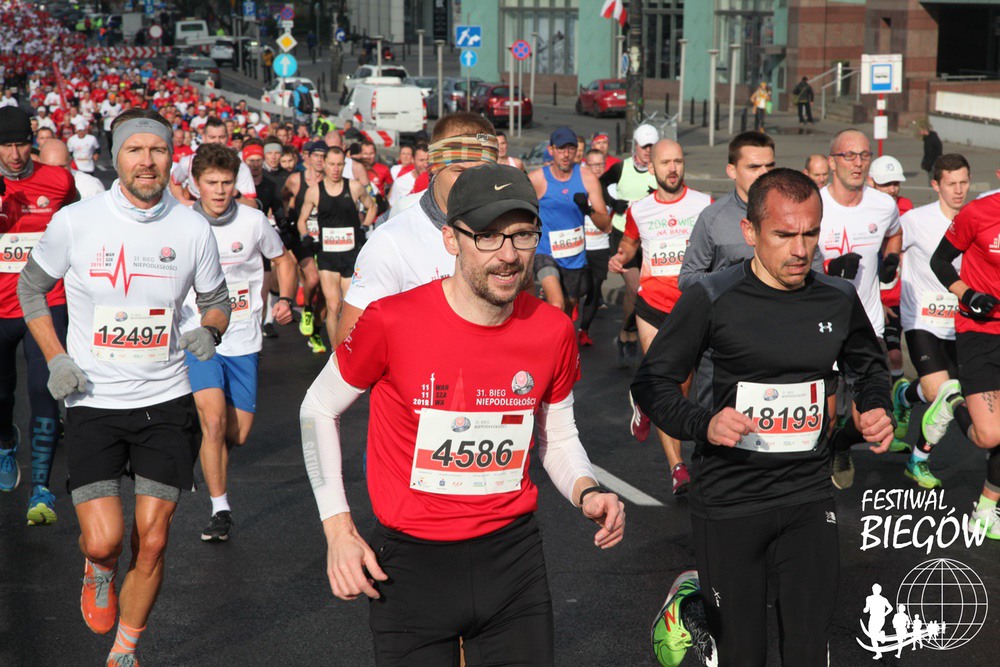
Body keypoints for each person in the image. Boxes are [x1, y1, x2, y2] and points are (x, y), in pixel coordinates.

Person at [300, 162, 624, 664]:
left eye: (522, 235)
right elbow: (318, 407)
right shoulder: (391, 320)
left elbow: (558, 438)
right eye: (488, 236)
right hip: (410, 571)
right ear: (451, 239)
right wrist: (338, 530)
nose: (508, 255)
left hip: (513, 564)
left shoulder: (552, 330)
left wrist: (587, 491)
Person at [633, 168, 894, 667]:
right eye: (784, 234)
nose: (800, 250)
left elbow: (869, 366)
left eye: (810, 234)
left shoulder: (837, 298)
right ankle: (693, 602)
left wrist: (876, 405)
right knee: (743, 655)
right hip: (731, 498)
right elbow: (651, 382)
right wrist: (703, 423)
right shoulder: (712, 297)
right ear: (750, 232)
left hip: (807, 493)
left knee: (807, 650)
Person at [17, 109, 231, 667]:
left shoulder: (191, 227)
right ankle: (98, 568)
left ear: (171, 158)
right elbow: (31, 289)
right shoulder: (76, 222)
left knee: (153, 542)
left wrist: (210, 330)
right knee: (104, 540)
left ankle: (125, 651)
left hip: (166, 400)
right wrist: (56, 358)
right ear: (116, 159)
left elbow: (216, 300)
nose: (146, 161)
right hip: (94, 401)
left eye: (157, 150)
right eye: (135, 150)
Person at [182, 143, 296, 542]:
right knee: (213, 421)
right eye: (211, 182)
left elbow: (283, 260)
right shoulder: (181, 223)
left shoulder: (252, 221)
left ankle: (203, 439)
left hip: (243, 337)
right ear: (196, 184)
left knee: (237, 433)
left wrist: (286, 299)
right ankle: (220, 509)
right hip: (198, 335)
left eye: (226, 182)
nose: (219, 190)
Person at [334, 112, 502, 347]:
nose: (473, 183)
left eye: (484, 172)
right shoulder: (390, 242)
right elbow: (347, 347)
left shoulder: (509, 235)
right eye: (460, 171)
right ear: (434, 167)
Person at [609, 139, 711, 495]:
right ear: (651, 168)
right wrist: (621, 257)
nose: (673, 168)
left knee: (682, 387)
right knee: (665, 382)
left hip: (691, 306)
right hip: (652, 304)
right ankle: (677, 467)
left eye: (678, 161)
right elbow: (630, 243)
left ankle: (643, 397)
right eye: (665, 162)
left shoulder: (703, 204)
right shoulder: (640, 209)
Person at [0, 107, 77, 525]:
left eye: (21, 144)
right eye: (5, 146)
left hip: (47, 302)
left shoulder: (58, 180)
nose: (14, 155)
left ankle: (41, 487)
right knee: (2, 395)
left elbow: (79, 223)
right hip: (1, 308)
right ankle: (5, 442)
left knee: (45, 389)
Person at [819, 130, 902, 490]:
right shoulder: (814, 203)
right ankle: (811, 482)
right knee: (821, 420)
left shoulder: (883, 205)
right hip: (820, 326)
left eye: (864, 155)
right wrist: (828, 270)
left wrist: (891, 259)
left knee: (867, 418)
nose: (857, 163)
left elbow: (894, 233)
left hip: (866, 326)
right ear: (832, 161)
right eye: (849, 155)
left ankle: (842, 443)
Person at [679, 131, 782, 410]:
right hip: (725, 341)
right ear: (732, 171)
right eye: (753, 166)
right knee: (716, 421)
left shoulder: (789, 212)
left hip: (779, 334)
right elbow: (687, 279)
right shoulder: (713, 218)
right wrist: (732, 276)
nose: (764, 173)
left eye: (769, 165)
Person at [892, 154, 970, 490]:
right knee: (943, 394)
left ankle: (904, 395)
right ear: (936, 185)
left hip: (960, 323)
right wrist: (886, 283)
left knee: (943, 394)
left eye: (964, 182)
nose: (958, 190)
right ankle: (918, 461)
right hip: (921, 319)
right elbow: (890, 246)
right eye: (951, 184)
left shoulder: (974, 219)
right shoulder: (915, 220)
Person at [927, 184, 1000, 541]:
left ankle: (985, 510)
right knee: (989, 435)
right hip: (980, 330)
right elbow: (939, 261)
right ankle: (951, 400)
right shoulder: (978, 213)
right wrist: (968, 294)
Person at [296, 146, 375, 345]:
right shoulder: (314, 191)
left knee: (349, 307)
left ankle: (350, 347)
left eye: (340, 164)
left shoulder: (355, 187)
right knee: (333, 306)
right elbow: (301, 220)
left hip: (350, 254)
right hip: (327, 256)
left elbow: (372, 207)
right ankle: (335, 351)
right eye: (332, 164)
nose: (336, 169)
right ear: (325, 165)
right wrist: (305, 236)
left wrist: (365, 227)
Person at [529, 126, 610, 318]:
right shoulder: (537, 179)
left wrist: (587, 210)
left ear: (576, 151)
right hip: (545, 252)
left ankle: (559, 336)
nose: (566, 154)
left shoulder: (587, 178)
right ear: (551, 150)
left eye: (570, 148)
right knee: (556, 303)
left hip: (574, 256)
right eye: (561, 149)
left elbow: (606, 225)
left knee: (568, 308)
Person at [600, 124, 658, 366]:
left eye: (652, 147)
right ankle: (631, 333)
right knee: (634, 289)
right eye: (645, 147)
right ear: (636, 146)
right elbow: (601, 184)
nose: (648, 151)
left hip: (651, 236)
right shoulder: (621, 167)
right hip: (624, 234)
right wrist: (614, 202)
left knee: (647, 290)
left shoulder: (660, 170)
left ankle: (628, 331)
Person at [868, 155, 913, 406]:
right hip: (870, 299)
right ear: (871, 182)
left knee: (895, 355)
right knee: (869, 356)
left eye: (896, 183)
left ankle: (897, 404)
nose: (892, 189)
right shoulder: (865, 210)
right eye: (886, 184)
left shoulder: (906, 207)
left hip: (896, 297)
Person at [283, 141, 326, 353]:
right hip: (303, 237)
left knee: (326, 292)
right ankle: (307, 309)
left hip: (327, 239)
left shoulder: (331, 181)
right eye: (316, 155)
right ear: (307, 157)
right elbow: (283, 196)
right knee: (313, 279)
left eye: (323, 156)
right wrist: (286, 216)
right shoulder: (295, 179)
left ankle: (316, 332)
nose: (320, 160)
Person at [170, 117, 257, 208]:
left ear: (227, 138)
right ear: (204, 137)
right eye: (212, 137)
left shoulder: (240, 166)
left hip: (225, 210)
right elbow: (174, 181)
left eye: (221, 137)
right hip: (195, 209)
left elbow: (252, 205)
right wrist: (182, 200)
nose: (217, 141)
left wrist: (236, 194)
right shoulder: (189, 162)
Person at [578, 148, 610, 347]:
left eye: (601, 164)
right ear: (586, 165)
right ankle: (572, 305)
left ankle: (584, 330)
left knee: (595, 289)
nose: (597, 168)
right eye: (593, 165)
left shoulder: (611, 189)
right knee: (582, 287)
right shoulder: (580, 186)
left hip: (601, 246)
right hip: (579, 247)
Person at [39, 138, 106, 200]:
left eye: (62, 167)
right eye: (50, 168)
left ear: (70, 162)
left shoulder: (90, 186)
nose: (56, 172)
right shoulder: (34, 187)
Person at [919, 120, 943, 185]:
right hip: (930, 160)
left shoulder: (932, 138)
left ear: (924, 130)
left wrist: (931, 161)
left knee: (932, 176)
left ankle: (932, 188)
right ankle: (931, 187)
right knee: (931, 176)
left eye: (921, 130)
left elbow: (937, 148)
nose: (920, 132)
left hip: (934, 160)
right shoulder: (927, 138)